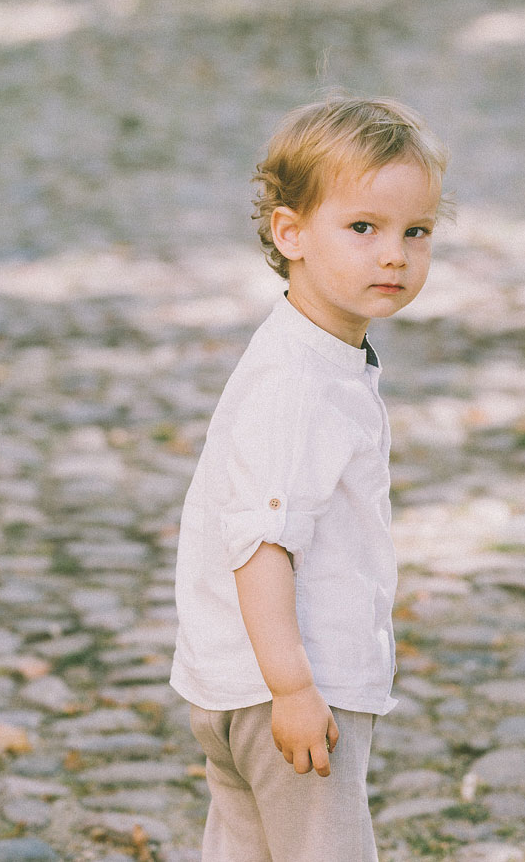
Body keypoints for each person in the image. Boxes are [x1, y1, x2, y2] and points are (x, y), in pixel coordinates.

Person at [169, 96, 449, 861]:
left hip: (241, 682)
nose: (393, 253)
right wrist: (293, 689)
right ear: (289, 233)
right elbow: (259, 544)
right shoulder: (297, 383)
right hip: (289, 686)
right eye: (362, 227)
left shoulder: (311, 354)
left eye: (414, 231)